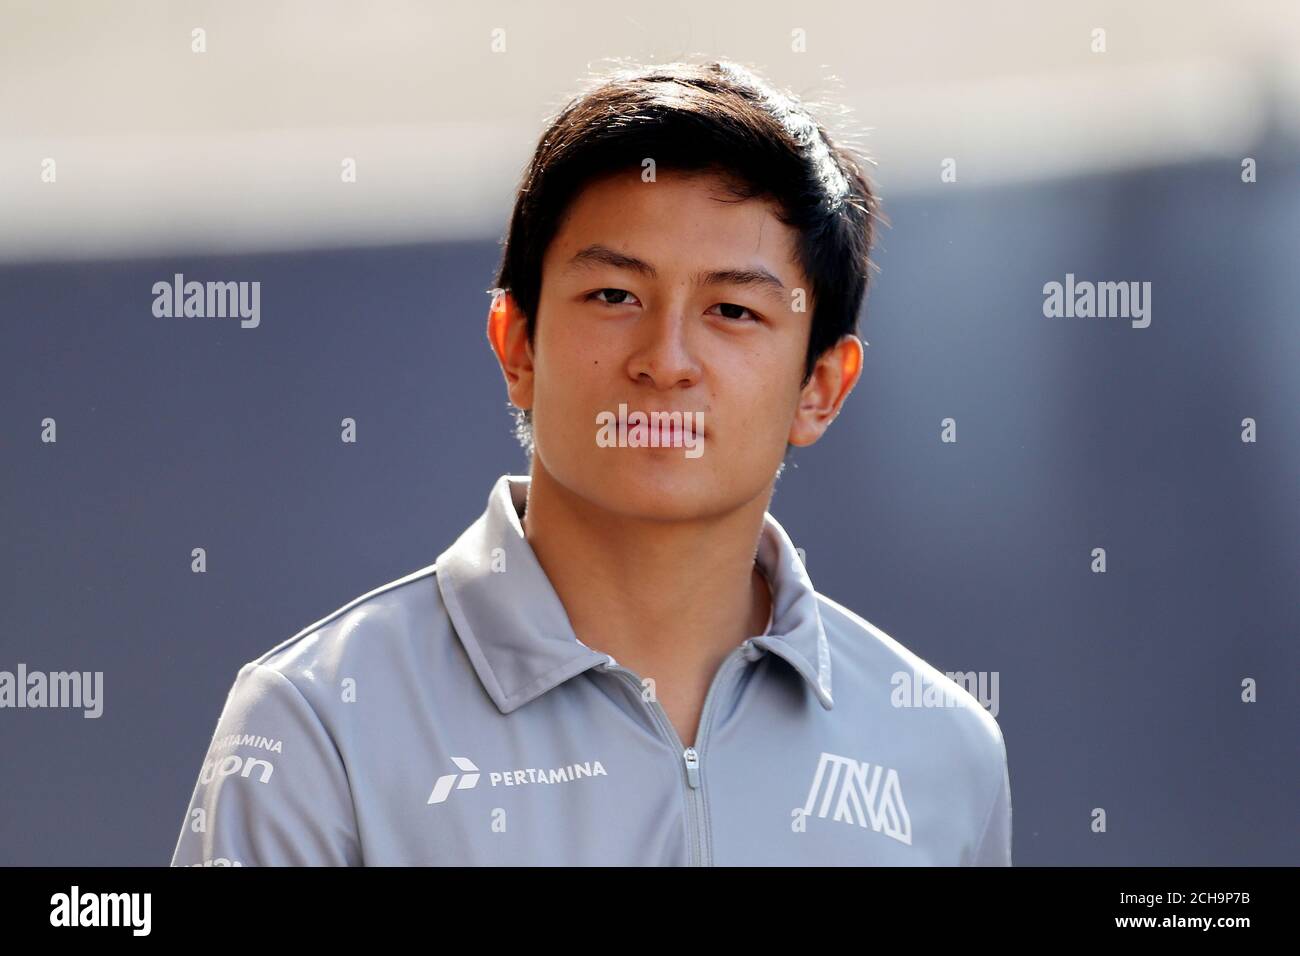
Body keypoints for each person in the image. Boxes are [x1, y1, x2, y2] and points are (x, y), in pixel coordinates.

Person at [170, 59, 1011, 866]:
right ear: (516, 344)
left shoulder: (941, 749)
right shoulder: (317, 724)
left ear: (820, 387)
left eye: (732, 309)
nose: (666, 358)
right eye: (614, 296)